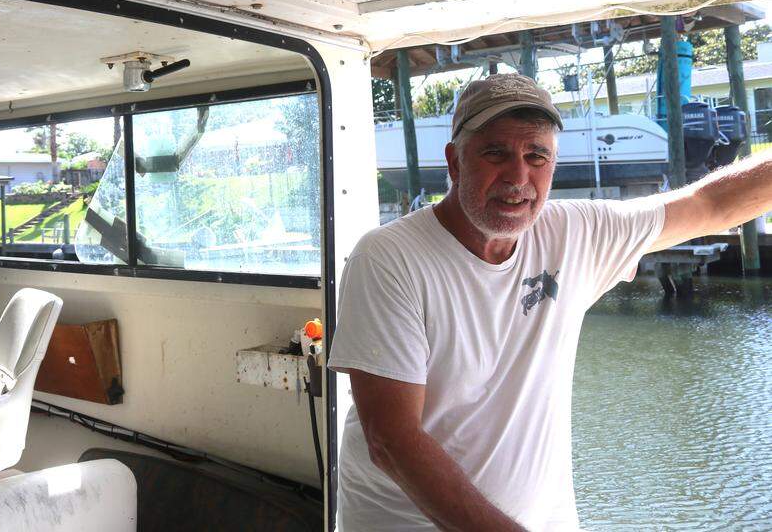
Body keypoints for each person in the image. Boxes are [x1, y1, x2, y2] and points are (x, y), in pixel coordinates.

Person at [328, 73, 772, 531]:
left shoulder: (573, 233)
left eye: (536, 156)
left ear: (553, 166)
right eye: (495, 152)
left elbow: (710, 204)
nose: (518, 177)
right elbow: (392, 441)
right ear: (455, 163)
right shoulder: (388, 257)